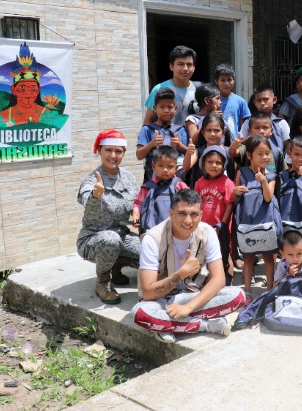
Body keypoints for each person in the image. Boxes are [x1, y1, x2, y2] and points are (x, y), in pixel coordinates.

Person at [131, 189, 245, 343]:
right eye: (182, 213)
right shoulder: (152, 239)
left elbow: (219, 279)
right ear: (171, 214)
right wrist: (182, 273)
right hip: (163, 300)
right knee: (140, 312)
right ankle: (206, 325)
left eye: (194, 214)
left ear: (201, 215)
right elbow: (148, 293)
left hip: (196, 295)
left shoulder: (207, 232)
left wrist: (188, 308)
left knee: (238, 296)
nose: (188, 221)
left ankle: (168, 325)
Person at [77, 130, 140, 304]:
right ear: (99, 151)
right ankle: (102, 281)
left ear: (123, 153)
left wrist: (137, 212)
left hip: (122, 234)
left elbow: (138, 202)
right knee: (111, 240)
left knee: (149, 251)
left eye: (118, 151)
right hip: (93, 239)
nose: (113, 155)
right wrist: (96, 195)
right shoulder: (91, 180)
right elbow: (87, 204)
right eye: (108, 150)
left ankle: (116, 266)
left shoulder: (129, 177)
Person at [234, 135, 282, 305]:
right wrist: (235, 191)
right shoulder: (242, 172)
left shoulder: (272, 176)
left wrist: (263, 181)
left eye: (267, 153)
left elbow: (268, 198)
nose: (265, 157)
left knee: (269, 256)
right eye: (260, 154)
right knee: (248, 257)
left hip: (266, 221)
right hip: (248, 221)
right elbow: (234, 196)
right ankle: (247, 290)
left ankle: (270, 289)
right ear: (249, 155)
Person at [194, 145, 236, 286]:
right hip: (203, 226)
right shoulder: (199, 183)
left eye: (218, 163)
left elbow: (230, 204)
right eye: (210, 162)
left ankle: (228, 280)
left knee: (224, 252)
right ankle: (210, 279)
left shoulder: (227, 182)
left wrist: (222, 224)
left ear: (224, 165)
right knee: (205, 252)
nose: (214, 165)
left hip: (220, 226)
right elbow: (195, 204)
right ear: (203, 164)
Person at [132, 146, 189, 235]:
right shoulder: (147, 187)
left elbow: (190, 203)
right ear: (153, 166)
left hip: (175, 230)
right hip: (150, 231)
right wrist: (136, 214)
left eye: (170, 166)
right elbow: (138, 204)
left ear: (176, 167)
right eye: (161, 166)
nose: (165, 170)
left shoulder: (179, 185)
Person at [136, 87, 189, 182]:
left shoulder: (181, 130)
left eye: (169, 107)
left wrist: (179, 146)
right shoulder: (147, 129)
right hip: (152, 182)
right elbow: (139, 155)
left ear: (175, 108)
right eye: (162, 107)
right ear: (155, 108)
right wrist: (151, 144)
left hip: (177, 182)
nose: (166, 110)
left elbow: (190, 155)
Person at [144, 46, 200, 126]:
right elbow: (148, 121)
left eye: (189, 65)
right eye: (180, 64)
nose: (185, 68)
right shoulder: (159, 89)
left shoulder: (198, 90)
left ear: (194, 67)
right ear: (171, 66)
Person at [0, 43, 52, 126]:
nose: (27, 92)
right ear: (13, 89)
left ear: (38, 90)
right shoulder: (2, 116)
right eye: (22, 87)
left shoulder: (48, 114)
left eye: (33, 87)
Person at [279, 138, 302, 250]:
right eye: (296, 154)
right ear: (289, 154)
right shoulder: (282, 175)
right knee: (287, 249)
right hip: (285, 220)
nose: (300, 159)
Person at [239, 85, 290, 149]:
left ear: (274, 100)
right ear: (255, 103)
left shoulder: (281, 123)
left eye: (265, 99)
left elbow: (288, 147)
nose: (262, 103)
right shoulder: (248, 122)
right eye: (259, 100)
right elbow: (241, 144)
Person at [214, 63, 250, 140]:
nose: (226, 83)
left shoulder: (240, 101)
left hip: (234, 144)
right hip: (215, 142)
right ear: (216, 81)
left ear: (234, 80)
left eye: (229, 80)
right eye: (222, 80)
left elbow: (244, 125)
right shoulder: (213, 100)